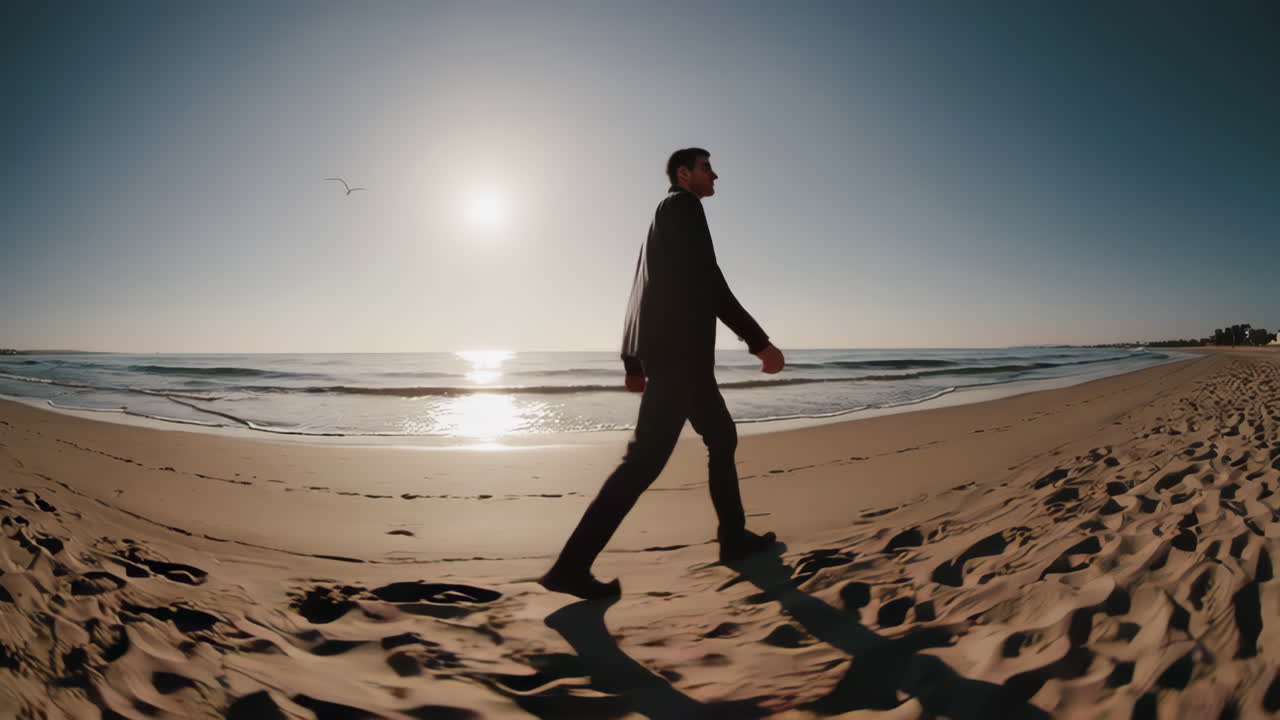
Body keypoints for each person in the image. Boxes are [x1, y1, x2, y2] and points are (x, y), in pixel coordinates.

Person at [539, 148, 785, 599]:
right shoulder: (683, 207)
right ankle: (570, 567)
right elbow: (708, 279)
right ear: (684, 173)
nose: (715, 175)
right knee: (644, 462)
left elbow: (640, 289)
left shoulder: (662, 217)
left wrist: (632, 360)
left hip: (684, 362)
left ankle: (733, 538)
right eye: (707, 167)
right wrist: (758, 341)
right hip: (680, 359)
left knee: (722, 437)